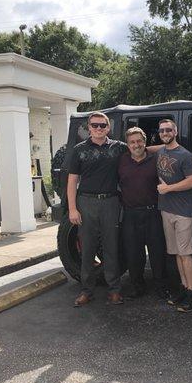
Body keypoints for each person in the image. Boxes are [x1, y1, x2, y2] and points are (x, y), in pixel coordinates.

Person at [67, 112, 125, 307]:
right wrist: (72, 209)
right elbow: (72, 180)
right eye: (94, 125)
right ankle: (87, 291)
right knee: (88, 249)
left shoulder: (118, 148)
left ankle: (114, 290)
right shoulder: (79, 150)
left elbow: (140, 149)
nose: (98, 129)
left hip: (110, 202)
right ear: (89, 127)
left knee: (111, 247)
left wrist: (169, 146)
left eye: (102, 125)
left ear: (108, 127)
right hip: (86, 203)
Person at [118, 127, 170, 300]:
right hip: (130, 214)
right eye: (132, 142)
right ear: (127, 144)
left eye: (139, 141)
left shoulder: (156, 159)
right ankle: (137, 286)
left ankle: (162, 287)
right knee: (133, 253)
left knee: (157, 252)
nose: (136, 145)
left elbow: (169, 148)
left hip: (153, 213)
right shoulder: (121, 160)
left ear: (145, 142)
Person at [156, 119, 192, 312]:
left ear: (175, 132)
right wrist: (134, 146)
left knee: (185, 254)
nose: (165, 133)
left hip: (183, 211)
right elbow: (147, 149)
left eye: (168, 130)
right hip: (166, 210)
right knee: (175, 253)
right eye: (162, 130)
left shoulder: (186, 155)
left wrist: (168, 189)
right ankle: (183, 288)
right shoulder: (161, 151)